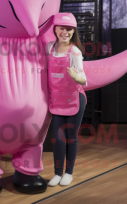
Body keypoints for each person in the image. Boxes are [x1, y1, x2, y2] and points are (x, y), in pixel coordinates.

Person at [47, 12, 87, 187]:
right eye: (62, 28)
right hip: (56, 101)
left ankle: (68, 173)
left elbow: (84, 79)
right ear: (55, 29)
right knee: (58, 137)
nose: (66, 32)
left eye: (69, 29)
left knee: (71, 137)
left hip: (74, 99)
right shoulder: (49, 48)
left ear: (73, 31)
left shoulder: (75, 52)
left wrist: (78, 78)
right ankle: (57, 173)